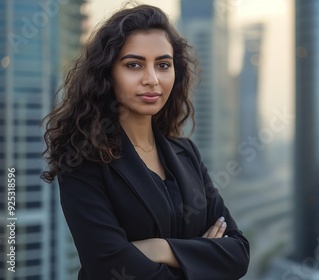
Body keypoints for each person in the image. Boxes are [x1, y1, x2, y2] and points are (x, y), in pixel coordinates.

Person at [41, 4, 249, 280]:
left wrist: (159, 248)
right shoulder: (82, 159)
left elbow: (238, 252)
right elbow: (110, 267)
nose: (152, 80)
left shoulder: (186, 153)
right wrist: (202, 257)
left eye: (163, 65)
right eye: (134, 65)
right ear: (107, 73)